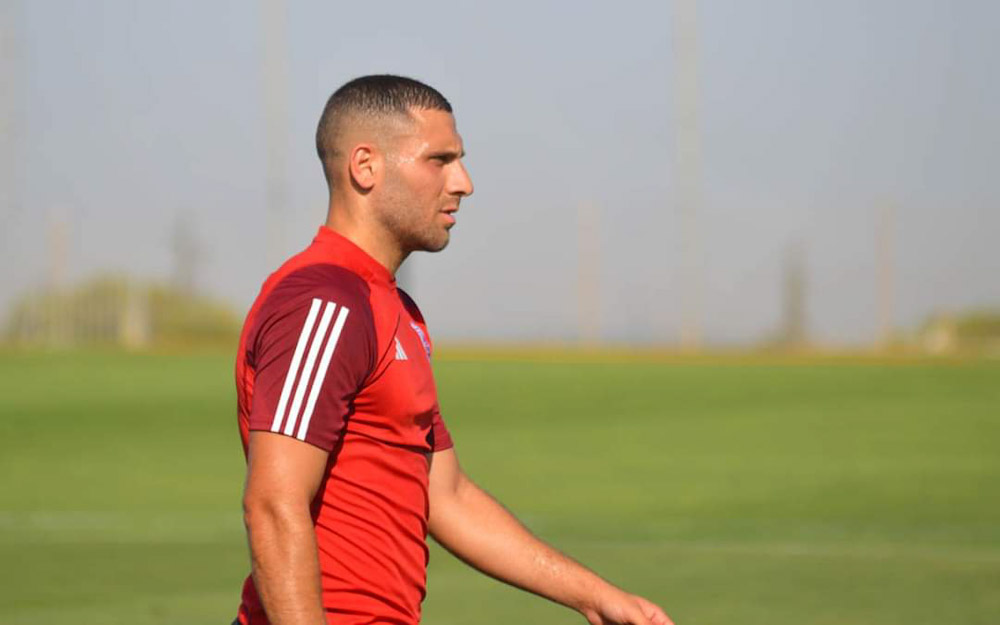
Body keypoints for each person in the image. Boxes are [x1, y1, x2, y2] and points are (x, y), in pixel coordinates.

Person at [233, 74, 672, 625]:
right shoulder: (326, 301)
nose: (463, 182)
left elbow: (448, 495)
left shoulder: (395, 310)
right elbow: (274, 504)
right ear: (365, 166)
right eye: (439, 160)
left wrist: (595, 596)